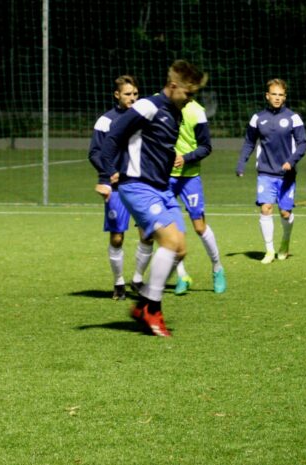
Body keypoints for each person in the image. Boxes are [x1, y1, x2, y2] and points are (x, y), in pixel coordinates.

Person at [100, 60, 208, 337]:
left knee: (180, 249)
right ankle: (152, 308)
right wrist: (106, 175)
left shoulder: (176, 112)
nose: (190, 99)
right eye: (188, 93)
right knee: (170, 242)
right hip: (137, 186)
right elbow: (113, 136)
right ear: (173, 86)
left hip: (161, 188)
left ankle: (143, 305)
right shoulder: (148, 106)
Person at [87, 75, 154, 300]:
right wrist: (108, 174)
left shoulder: (144, 119)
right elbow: (94, 153)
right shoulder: (106, 121)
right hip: (116, 187)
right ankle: (118, 283)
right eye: (127, 94)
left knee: (148, 235)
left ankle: (137, 280)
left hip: (142, 185)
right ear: (117, 95)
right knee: (117, 238)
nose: (132, 98)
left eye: (135, 94)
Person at [235, 78, 306, 264]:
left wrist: (291, 161)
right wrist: (242, 162)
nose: (277, 98)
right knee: (266, 208)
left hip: (287, 174)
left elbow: (302, 143)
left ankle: (285, 241)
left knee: (285, 213)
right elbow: (249, 142)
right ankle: (269, 250)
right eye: (274, 94)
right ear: (267, 96)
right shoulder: (258, 118)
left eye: (280, 95)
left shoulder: (293, 118)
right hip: (265, 172)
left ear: (285, 97)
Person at [169, 98, 227, 295]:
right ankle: (181, 275)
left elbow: (206, 147)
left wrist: (185, 158)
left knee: (199, 227)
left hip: (190, 176)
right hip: (164, 177)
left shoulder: (196, 111)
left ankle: (217, 268)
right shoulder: (160, 104)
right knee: (169, 229)